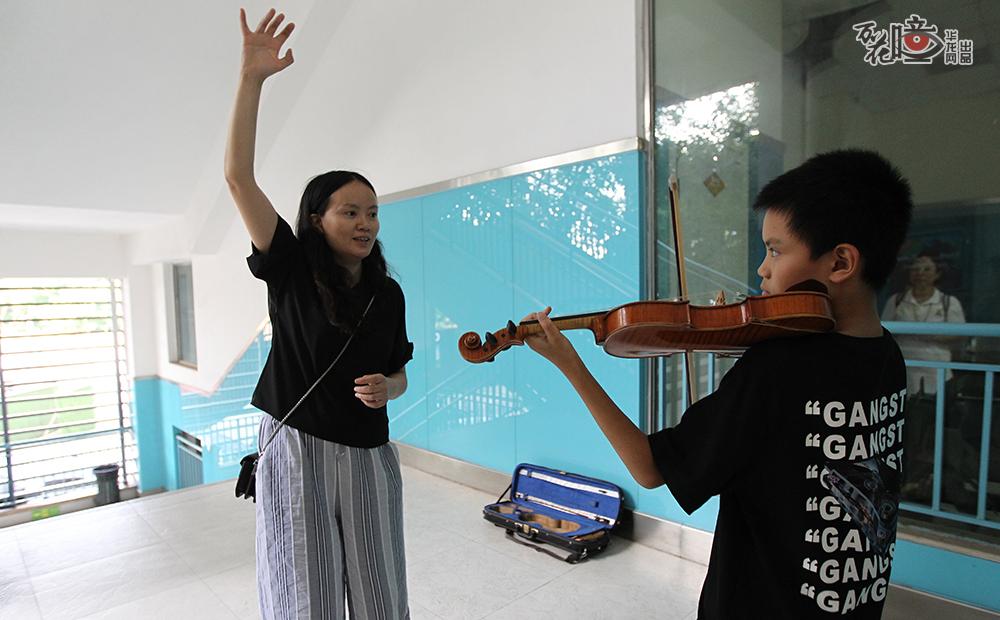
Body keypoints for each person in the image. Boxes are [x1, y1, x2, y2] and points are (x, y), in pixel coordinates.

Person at [522, 149, 912, 618]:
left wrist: (571, 365)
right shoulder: (888, 354)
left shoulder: (776, 368)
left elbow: (650, 467)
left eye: (774, 249)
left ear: (841, 262)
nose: (762, 270)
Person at [224, 9, 412, 619]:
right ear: (316, 218)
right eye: (350, 211)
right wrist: (251, 79)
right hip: (297, 448)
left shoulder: (388, 293)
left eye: (373, 212)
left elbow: (399, 371)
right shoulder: (290, 269)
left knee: (380, 589)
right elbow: (237, 177)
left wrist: (390, 386)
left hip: (369, 451)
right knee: (308, 591)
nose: (366, 223)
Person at [881, 248, 966, 504]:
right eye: (916, 268)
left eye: (927, 269)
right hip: (903, 378)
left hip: (937, 380)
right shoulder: (896, 301)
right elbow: (886, 332)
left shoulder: (948, 303)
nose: (920, 273)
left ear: (937, 274)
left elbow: (958, 335)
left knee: (930, 436)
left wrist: (921, 334)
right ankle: (902, 483)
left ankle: (929, 485)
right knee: (903, 434)